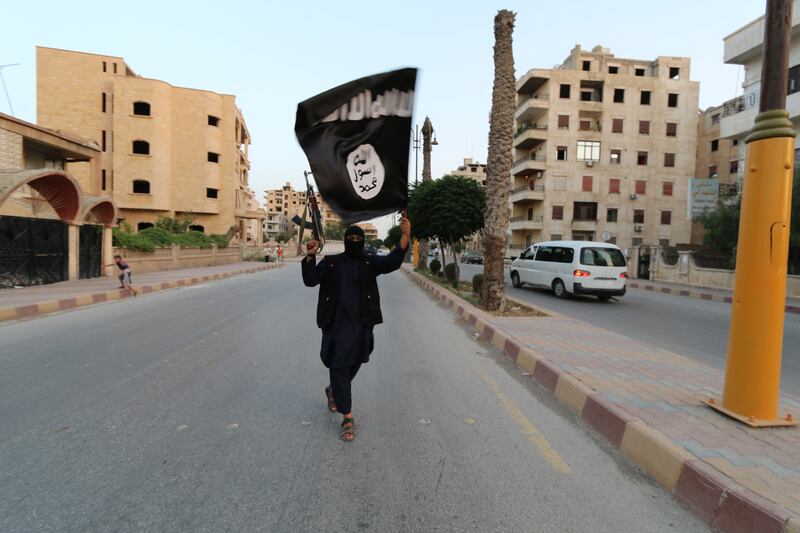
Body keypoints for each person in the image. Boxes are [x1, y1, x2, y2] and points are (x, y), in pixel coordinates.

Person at [302, 216, 411, 442]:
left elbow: (392, 262)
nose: (354, 241)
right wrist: (311, 256)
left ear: (362, 241)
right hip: (336, 325)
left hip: (362, 324)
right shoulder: (332, 262)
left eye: (357, 238)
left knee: (358, 358)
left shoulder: (369, 262)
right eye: (350, 238)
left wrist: (406, 236)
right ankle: (347, 416)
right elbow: (311, 280)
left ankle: (334, 390)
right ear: (345, 241)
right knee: (338, 364)